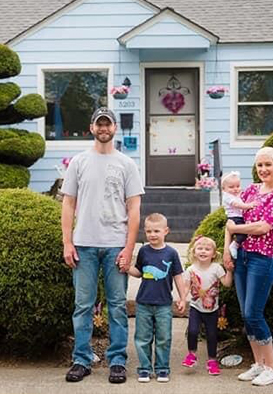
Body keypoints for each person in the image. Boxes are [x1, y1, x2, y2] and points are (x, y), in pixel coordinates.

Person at [61, 107, 145, 384]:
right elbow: (68, 202)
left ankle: (117, 361)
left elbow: (134, 209)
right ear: (92, 127)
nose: (104, 128)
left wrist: (129, 248)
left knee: (117, 305)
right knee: (83, 305)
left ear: (115, 128)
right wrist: (67, 242)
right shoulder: (79, 162)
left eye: (108, 124)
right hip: (83, 244)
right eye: (100, 124)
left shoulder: (126, 164)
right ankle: (81, 360)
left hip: (114, 246)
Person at [222, 146, 273, 387]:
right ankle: (259, 364)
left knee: (254, 312)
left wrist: (235, 230)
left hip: (263, 258)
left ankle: (272, 368)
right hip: (241, 256)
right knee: (245, 314)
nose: (263, 169)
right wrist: (226, 250)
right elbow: (231, 219)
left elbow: (263, 227)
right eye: (259, 165)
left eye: (268, 164)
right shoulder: (251, 190)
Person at [126, 213, 187, 383]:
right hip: (143, 303)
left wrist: (182, 298)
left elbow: (178, 277)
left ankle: (162, 369)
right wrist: (127, 268)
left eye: (156, 231)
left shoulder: (171, 253)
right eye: (149, 231)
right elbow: (139, 272)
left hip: (164, 304)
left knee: (164, 338)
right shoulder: (144, 251)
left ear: (166, 231)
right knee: (142, 338)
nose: (152, 234)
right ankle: (144, 369)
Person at [181, 235, 232, 376]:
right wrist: (182, 300)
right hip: (196, 307)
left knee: (212, 335)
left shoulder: (216, 268)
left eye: (207, 249)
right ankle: (192, 354)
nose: (203, 251)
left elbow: (226, 284)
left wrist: (229, 270)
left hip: (212, 309)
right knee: (192, 331)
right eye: (200, 248)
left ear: (213, 254)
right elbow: (186, 287)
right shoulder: (191, 270)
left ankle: (212, 361)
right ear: (194, 251)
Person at [220, 171, 257, 259]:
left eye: (238, 186)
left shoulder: (235, 195)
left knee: (243, 232)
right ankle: (234, 245)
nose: (235, 189)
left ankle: (235, 244)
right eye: (231, 187)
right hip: (235, 218)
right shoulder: (227, 197)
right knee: (243, 234)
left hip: (238, 217)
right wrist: (249, 206)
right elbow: (237, 205)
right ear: (223, 189)